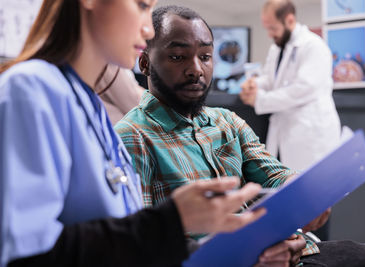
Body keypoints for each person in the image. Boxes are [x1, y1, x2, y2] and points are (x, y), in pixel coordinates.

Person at [115, 5, 365, 267]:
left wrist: (305, 196)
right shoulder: (133, 138)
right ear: (145, 64)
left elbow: (275, 175)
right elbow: (142, 245)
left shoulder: (227, 122)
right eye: (178, 57)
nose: (196, 70)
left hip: (294, 253)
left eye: (205, 56)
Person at [0, 1, 269, 266]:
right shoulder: (31, 89)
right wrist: (172, 221)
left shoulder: (90, 107)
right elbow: (27, 255)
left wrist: (240, 255)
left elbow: (127, 243)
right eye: (141, 5)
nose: (148, 29)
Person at [240, 0, 341, 172]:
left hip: (311, 133)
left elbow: (304, 89)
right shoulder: (277, 49)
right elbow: (272, 80)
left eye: (273, 28)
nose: (270, 34)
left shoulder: (313, 46)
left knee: (314, 190)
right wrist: (254, 84)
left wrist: (260, 99)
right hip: (288, 133)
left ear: (290, 20)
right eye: (267, 28)